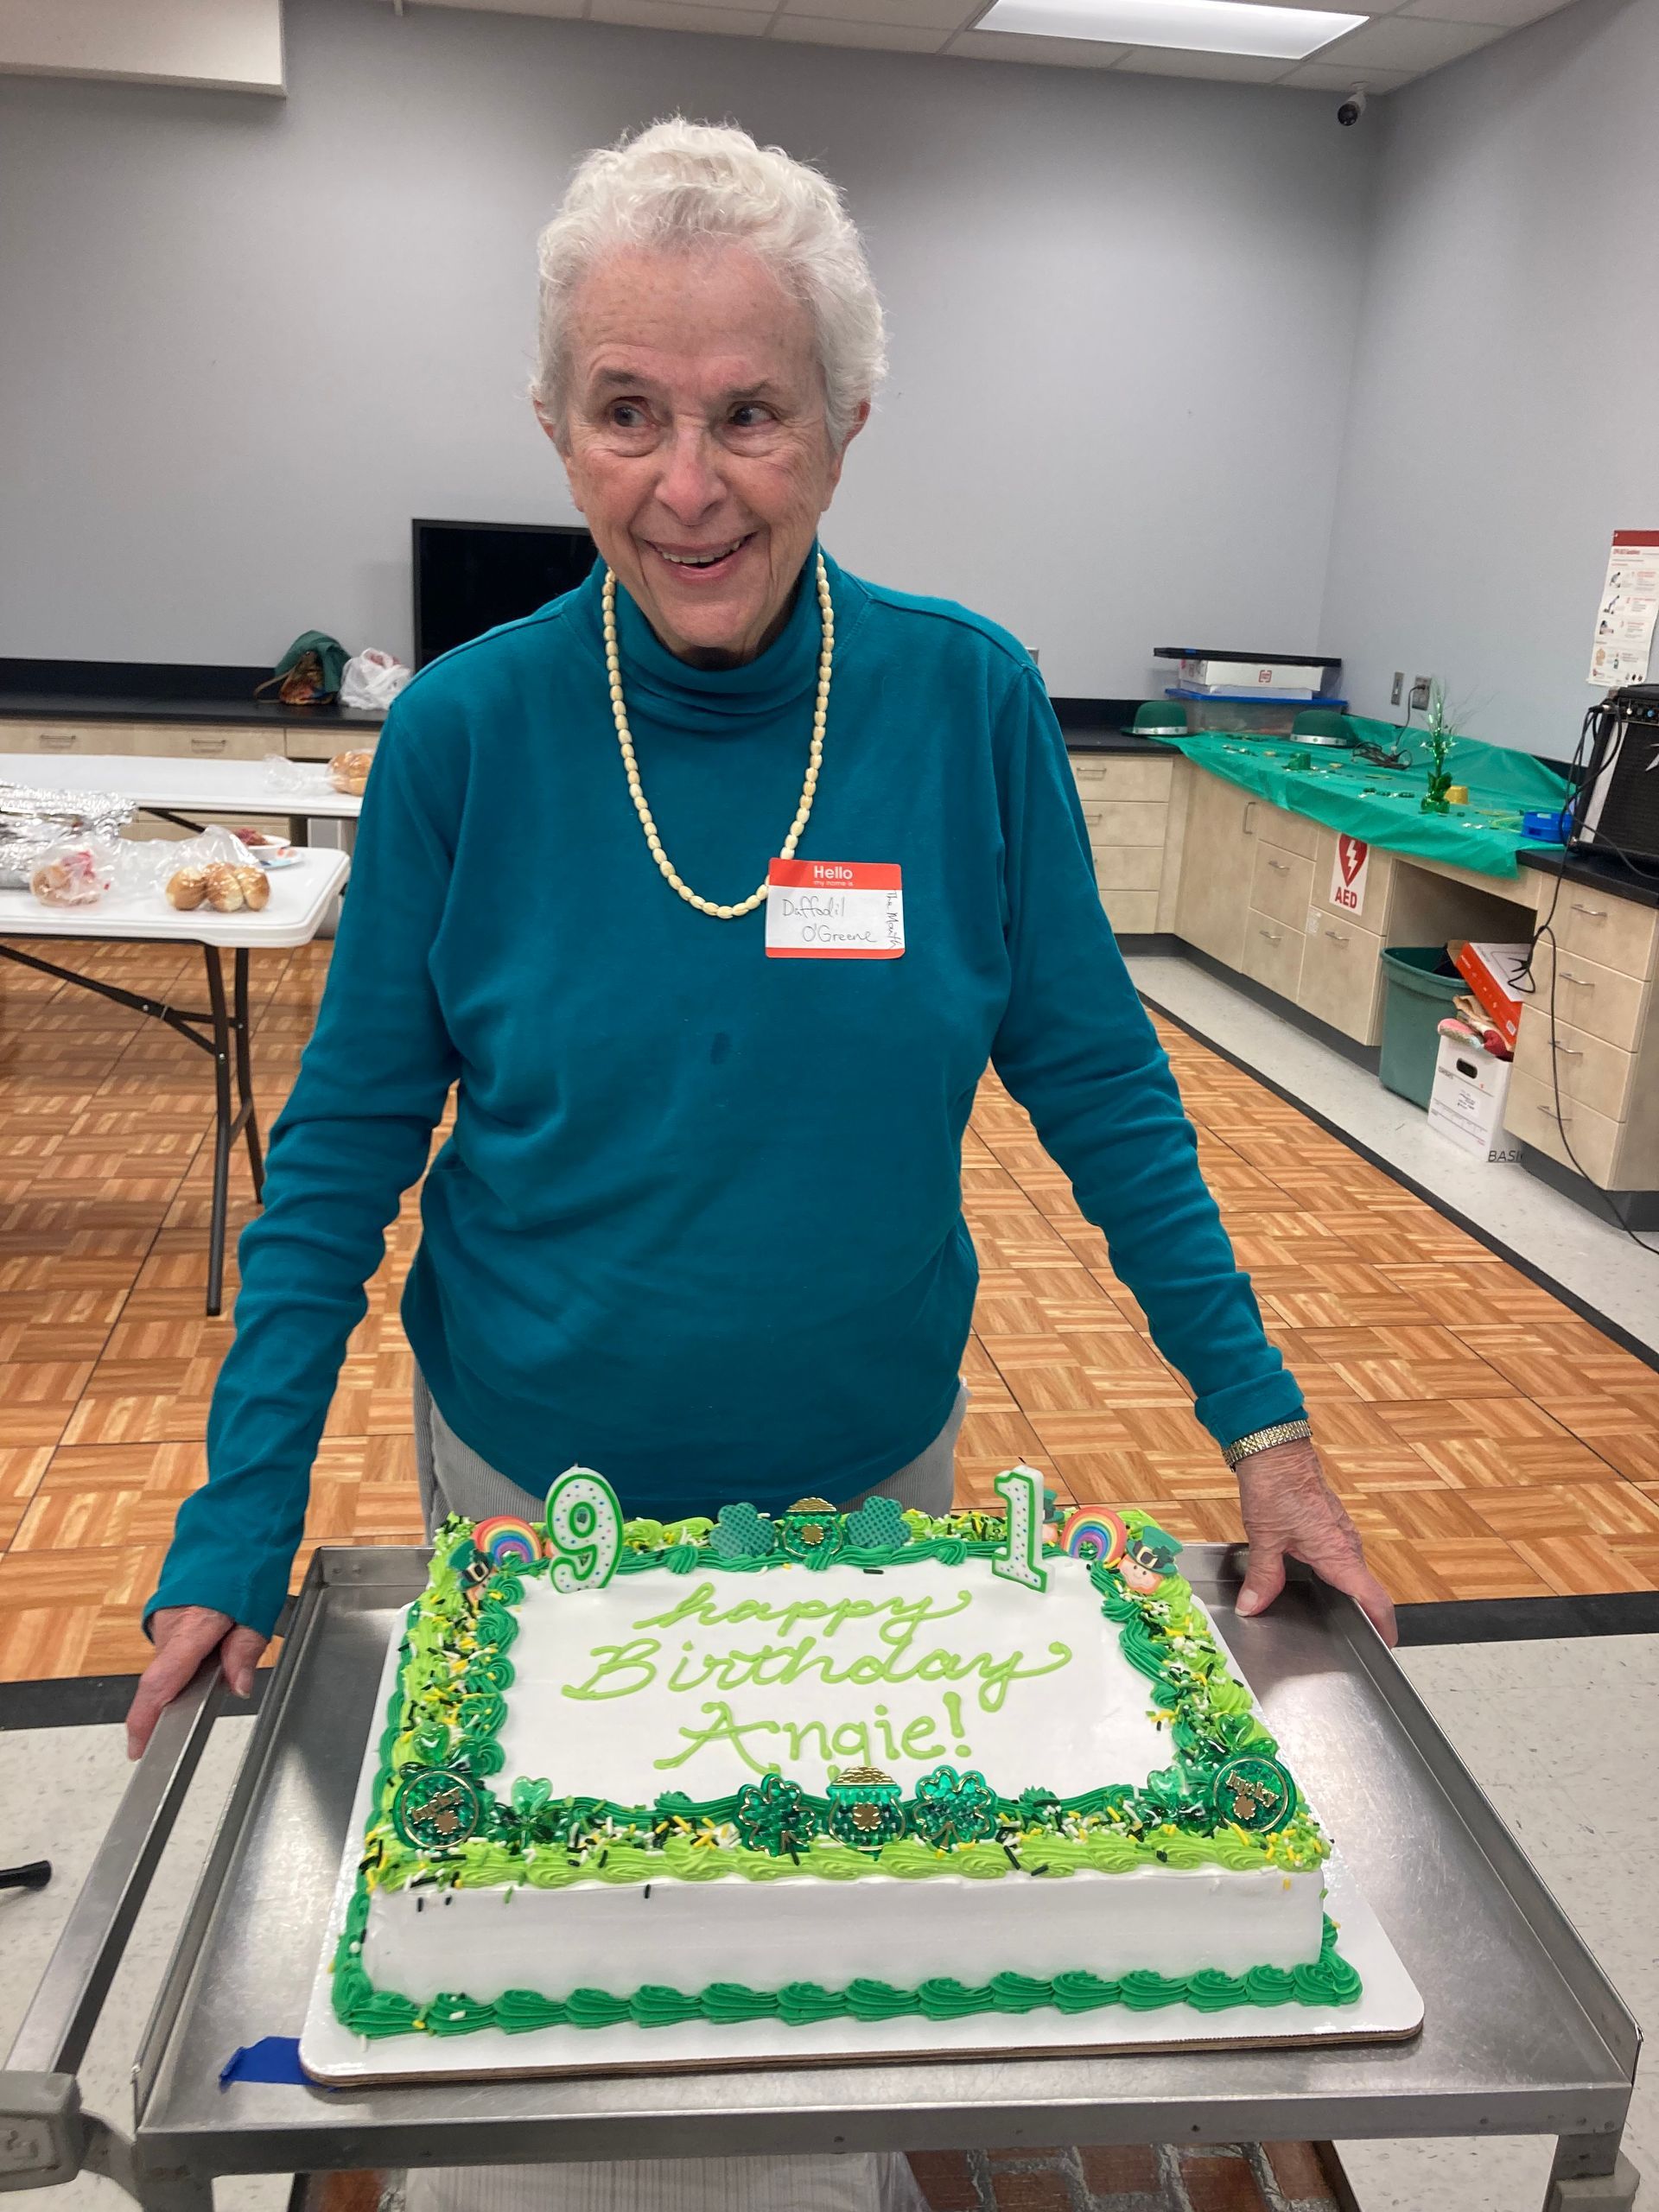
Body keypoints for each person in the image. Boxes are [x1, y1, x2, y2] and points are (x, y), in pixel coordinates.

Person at [129, 111, 1394, 2211]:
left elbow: (1108, 1099)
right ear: (554, 423)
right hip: (540, 1478)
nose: (687, 483)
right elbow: (342, 1155)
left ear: (848, 424)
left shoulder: (968, 705)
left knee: (866, 1948)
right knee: (566, 1997)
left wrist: (1270, 1431)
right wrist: (236, 1515)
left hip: (869, 1476)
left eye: (749, 413)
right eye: (627, 412)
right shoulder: (465, 731)